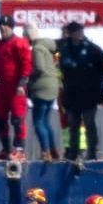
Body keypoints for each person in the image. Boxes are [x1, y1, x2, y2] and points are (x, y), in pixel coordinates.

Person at [57, 21, 103, 164]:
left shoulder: (92, 49)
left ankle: (92, 153)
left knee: (89, 124)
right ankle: (73, 154)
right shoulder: (65, 49)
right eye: (73, 32)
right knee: (73, 125)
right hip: (72, 94)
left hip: (88, 94)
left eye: (78, 32)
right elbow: (63, 68)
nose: (76, 35)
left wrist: (95, 83)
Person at [0, 15, 33, 160]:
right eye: (0, 25)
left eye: (6, 25)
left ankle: (20, 150)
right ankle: (6, 149)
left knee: (18, 119)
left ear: (11, 27)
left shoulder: (20, 43)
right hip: (2, 88)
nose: (2, 28)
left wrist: (22, 83)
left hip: (16, 88)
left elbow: (27, 65)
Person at [27, 24, 61, 161]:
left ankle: (45, 152)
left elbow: (39, 68)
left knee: (39, 122)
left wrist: (28, 76)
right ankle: (53, 151)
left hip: (42, 88)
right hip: (53, 87)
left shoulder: (37, 49)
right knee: (46, 121)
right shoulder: (47, 47)